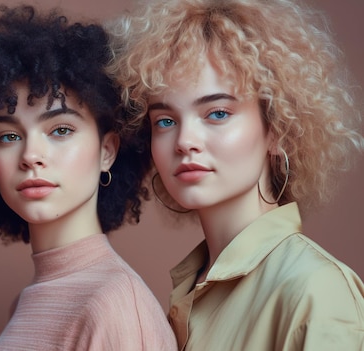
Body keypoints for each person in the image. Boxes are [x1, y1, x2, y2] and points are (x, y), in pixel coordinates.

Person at [106, 0, 364, 349]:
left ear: (278, 130)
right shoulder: (188, 289)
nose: (184, 141)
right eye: (165, 120)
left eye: (217, 113)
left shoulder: (316, 291)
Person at [0, 4, 177, 350]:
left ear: (107, 151)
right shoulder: (27, 302)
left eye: (60, 130)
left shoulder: (114, 306)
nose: (31, 155)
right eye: (9, 136)